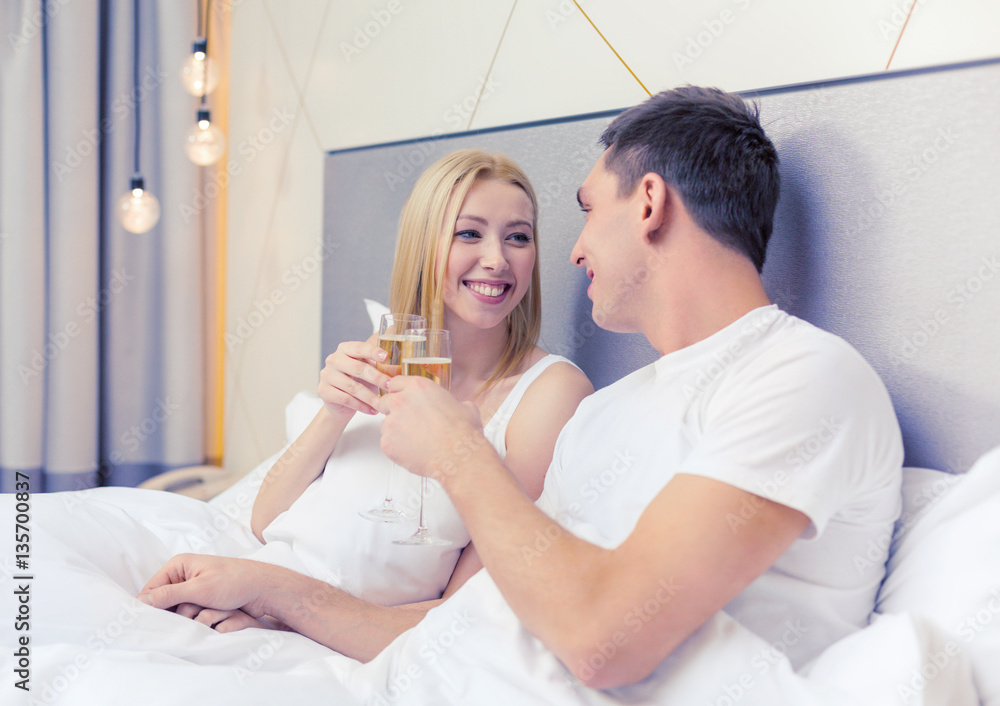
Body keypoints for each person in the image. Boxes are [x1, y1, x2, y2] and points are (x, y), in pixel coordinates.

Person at [139, 87, 903, 688]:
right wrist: (272, 599)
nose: (572, 253)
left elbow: (605, 641)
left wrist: (459, 457)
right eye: (470, 234)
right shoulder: (607, 417)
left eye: (582, 213)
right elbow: (461, 625)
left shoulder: (801, 376)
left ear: (648, 203)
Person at [142, 149, 593, 644]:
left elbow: (460, 611)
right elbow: (264, 518)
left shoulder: (549, 394)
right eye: (469, 232)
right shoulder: (390, 351)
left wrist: (276, 603)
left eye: (518, 237)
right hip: (262, 597)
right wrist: (334, 413)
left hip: (325, 630)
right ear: (424, 247)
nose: (496, 259)